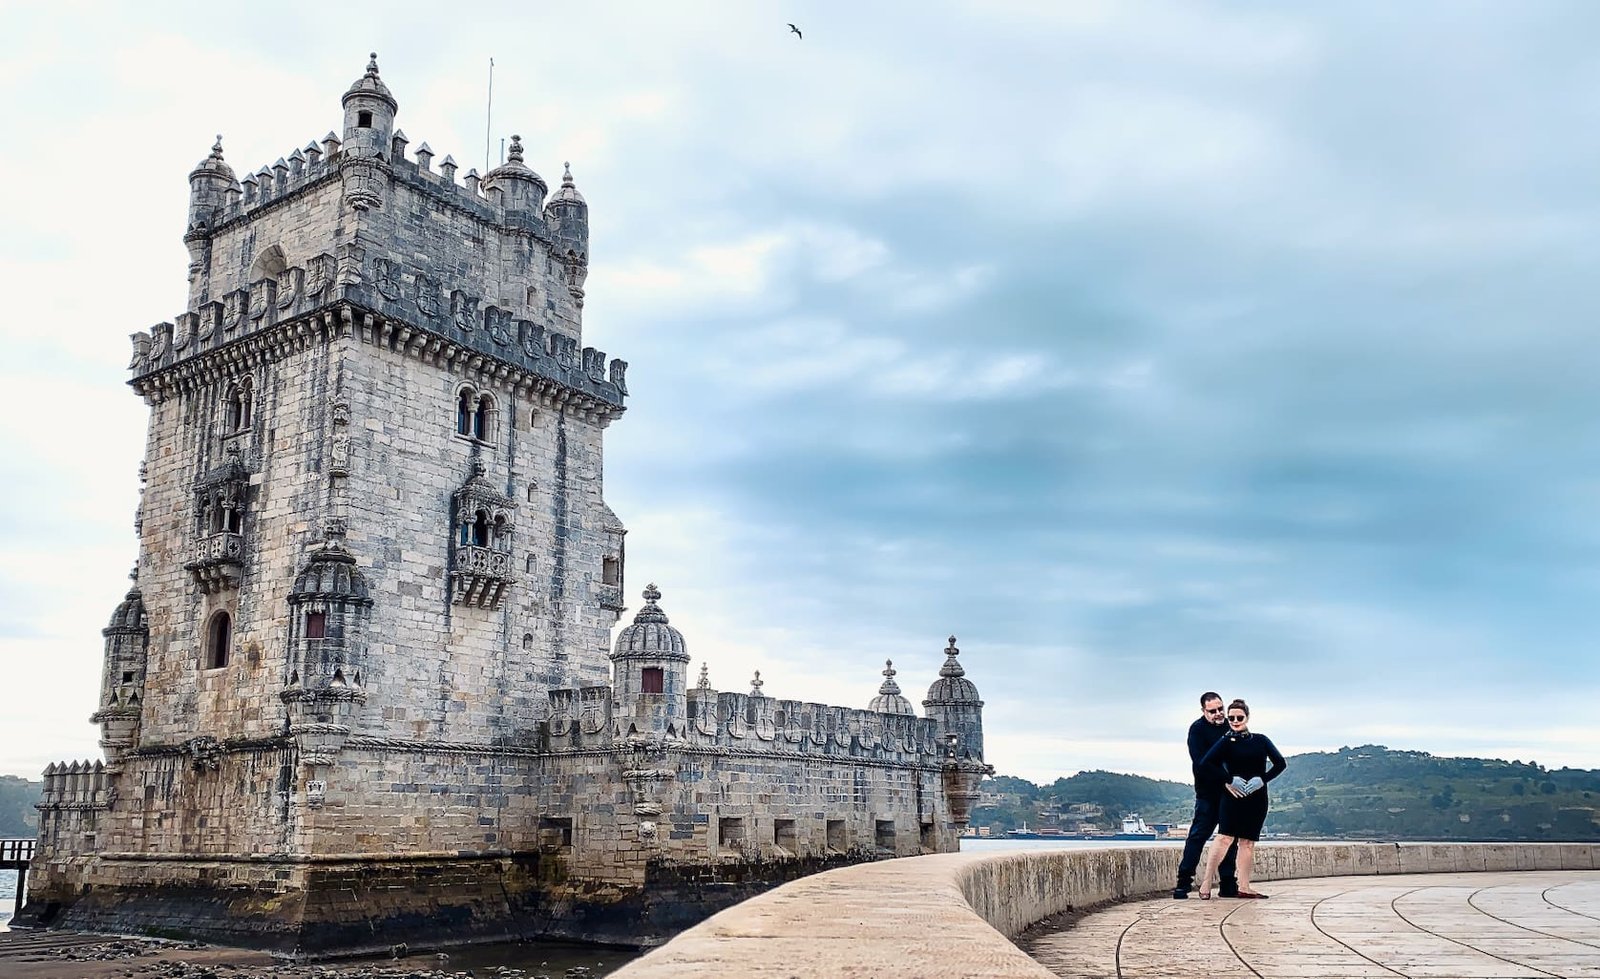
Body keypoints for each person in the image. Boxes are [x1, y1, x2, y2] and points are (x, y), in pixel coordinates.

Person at [1196, 698, 1287, 900]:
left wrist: (1262, 780)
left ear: (1247, 717)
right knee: (1224, 838)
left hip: (1256, 798)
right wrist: (1228, 779)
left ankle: (1244, 886)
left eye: (1239, 717)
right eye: (1231, 718)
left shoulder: (1261, 740)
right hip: (1232, 797)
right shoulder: (1225, 742)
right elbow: (1206, 764)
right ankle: (1206, 881)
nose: (1235, 721)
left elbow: (1280, 763)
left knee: (1247, 843)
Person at [1173, 691, 1238, 899]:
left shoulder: (1232, 725)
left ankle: (1228, 883)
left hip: (1231, 794)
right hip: (1207, 793)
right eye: (1213, 711)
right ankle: (1183, 882)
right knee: (1197, 836)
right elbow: (1201, 763)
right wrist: (1226, 779)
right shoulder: (1197, 730)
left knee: (1229, 839)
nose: (1219, 713)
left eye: (1221, 709)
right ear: (1204, 711)